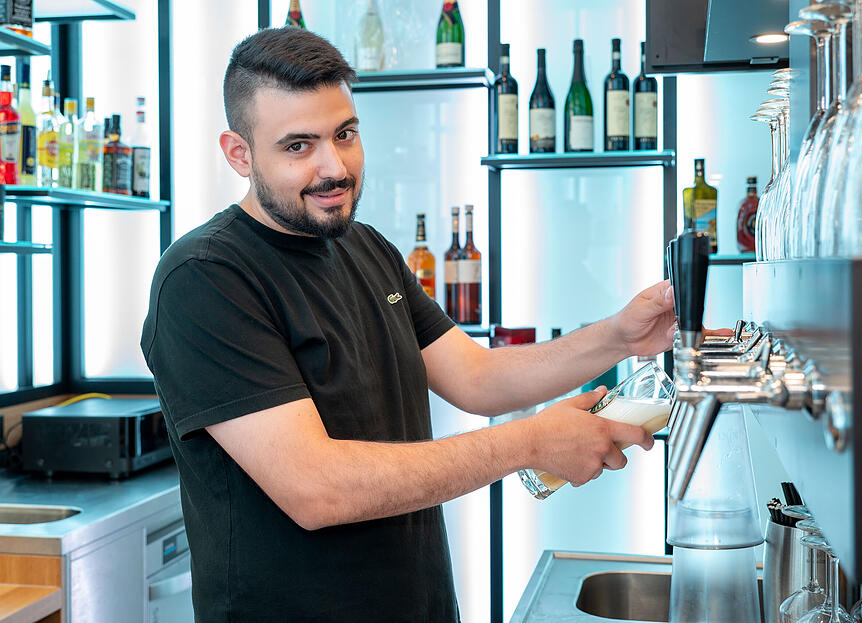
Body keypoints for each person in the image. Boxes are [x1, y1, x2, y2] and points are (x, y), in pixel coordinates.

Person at [141, 27, 677, 623]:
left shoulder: (366, 249)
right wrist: (528, 443)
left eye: (345, 135)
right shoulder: (205, 277)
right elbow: (316, 488)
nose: (333, 167)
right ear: (240, 153)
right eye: (298, 146)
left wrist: (618, 336)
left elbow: (478, 378)